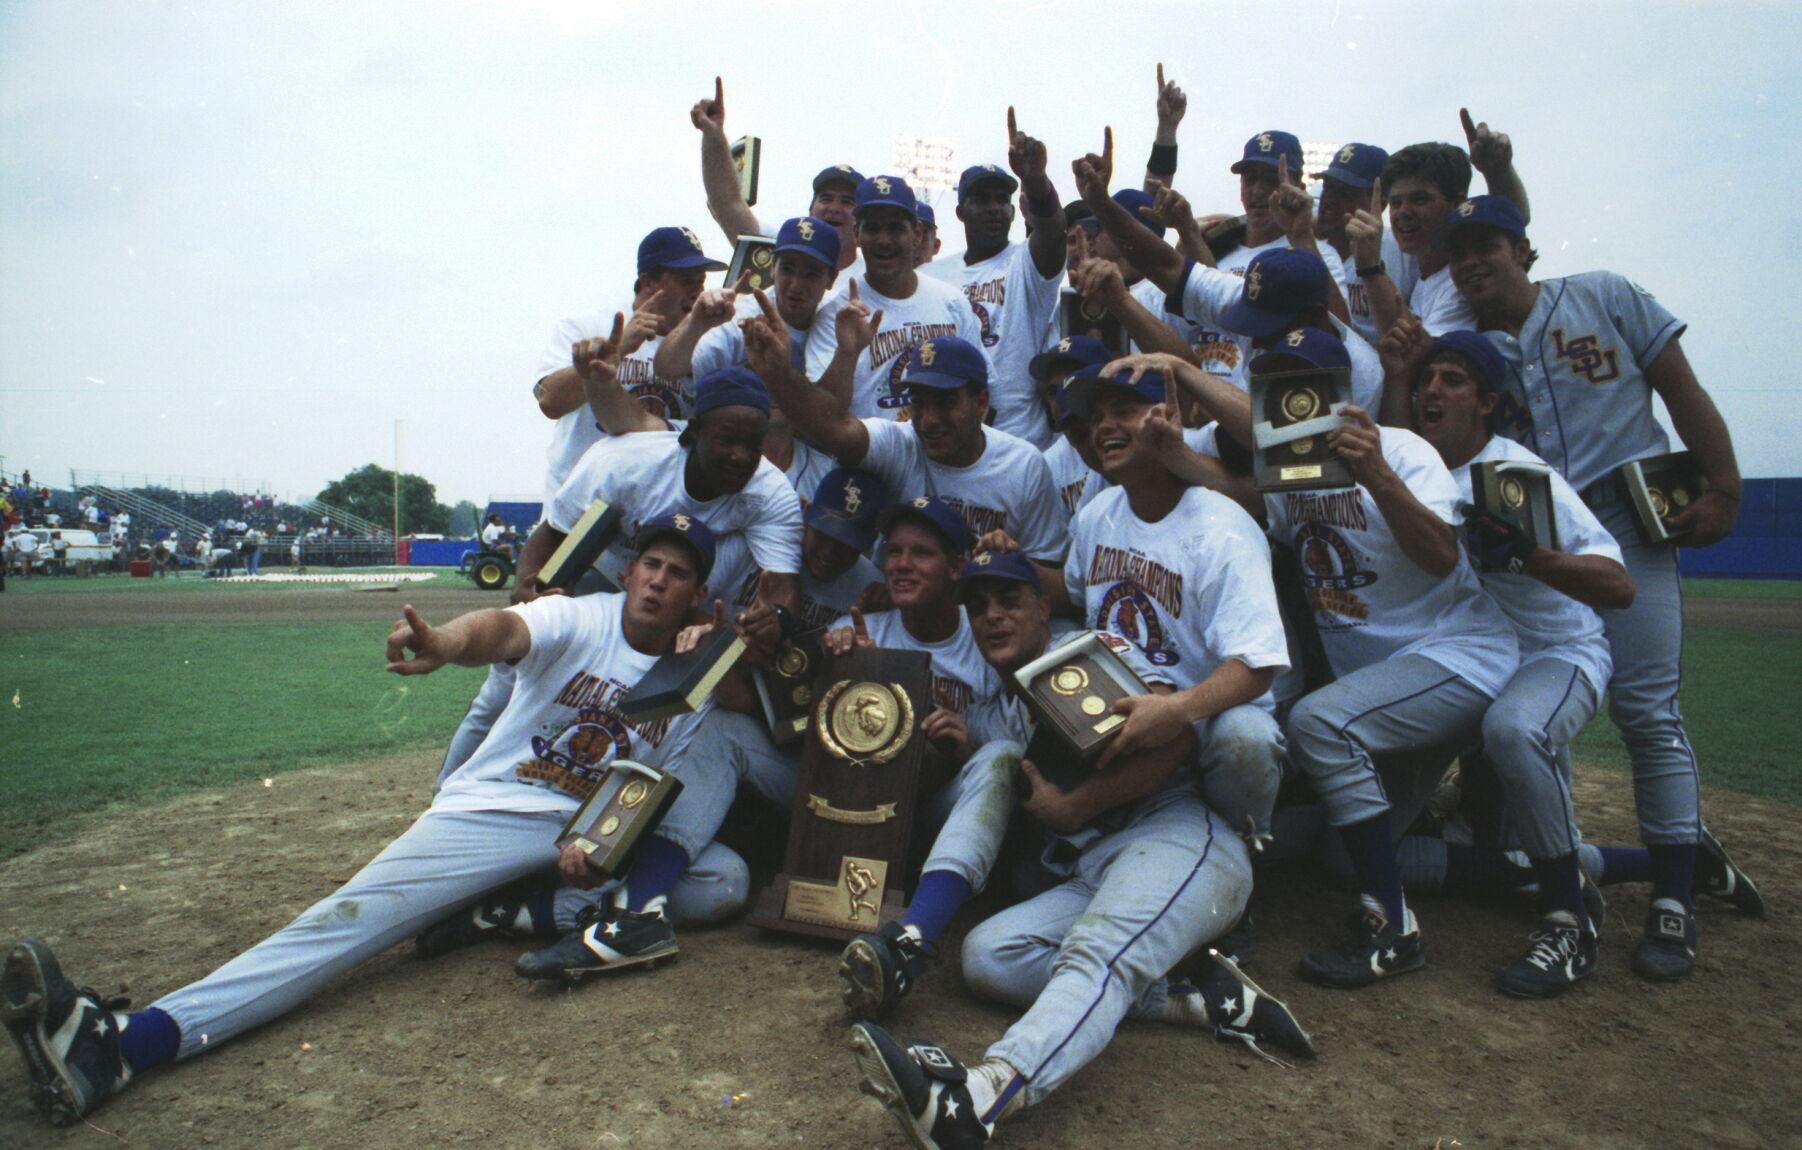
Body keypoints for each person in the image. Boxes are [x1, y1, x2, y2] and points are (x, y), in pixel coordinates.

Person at [0, 516, 744, 1127]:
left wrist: (599, 848)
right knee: (343, 923)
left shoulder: (692, 677)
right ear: (629, 571)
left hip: (575, 830)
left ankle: (509, 912)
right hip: (495, 811)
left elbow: (646, 787)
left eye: (677, 574)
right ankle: (126, 1046)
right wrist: (446, 642)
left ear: (697, 596)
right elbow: (500, 630)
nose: (658, 581)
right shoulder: (578, 617)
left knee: (719, 881)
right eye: (650, 564)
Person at [847, 548, 1310, 1150]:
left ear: (1043, 608)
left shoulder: (1090, 651)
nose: (993, 616)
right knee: (990, 956)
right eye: (979, 607)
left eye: (1009, 601)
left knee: (1096, 953)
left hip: (1172, 836)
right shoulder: (993, 710)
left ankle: (977, 1099)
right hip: (1091, 869)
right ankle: (1201, 1000)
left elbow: (1176, 739)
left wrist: (1078, 806)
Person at [1126, 329, 1521, 989]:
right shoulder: (1296, 470)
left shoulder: (1402, 450)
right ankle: (1544, 871)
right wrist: (1179, 456)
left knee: (1317, 722)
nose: (1289, 394)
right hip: (1385, 690)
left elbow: (1441, 557)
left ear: (1341, 388)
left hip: (1454, 658)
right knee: (1341, 856)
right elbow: (1248, 500)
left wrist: (1379, 476)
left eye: (1304, 379)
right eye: (1275, 379)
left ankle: (1394, 929)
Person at [1441, 194, 1754, 980]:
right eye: (1460, 251)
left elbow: (1680, 388)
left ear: (1523, 249)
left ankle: (1674, 898)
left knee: (1647, 709)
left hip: (1627, 515)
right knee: (1532, 707)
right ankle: (1571, 870)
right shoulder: (1469, 348)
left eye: (1488, 245)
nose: (1473, 261)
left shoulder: (1602, 295)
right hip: (1536, 530)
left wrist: (1723, 485)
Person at [1385, 324, 1637, 996]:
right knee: (1353, 854)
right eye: (1427, 378)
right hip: (1461, 667)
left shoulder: (1514, 473)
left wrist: (1530, 555)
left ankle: (1569, 918)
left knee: (1514, 729)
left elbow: (1619, 586)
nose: (1434, 389)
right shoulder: (1411, 471)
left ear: (1488, 402)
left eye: (1454, 379)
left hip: (1551, 655)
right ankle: (1595, 865)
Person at [757, 325, 1068, 587]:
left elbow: (1055, 583)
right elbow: (834, 429)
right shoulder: (899, 444)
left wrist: (1009, 560)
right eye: (919, 403)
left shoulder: (1023, 466)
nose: (929, 420)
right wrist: (779, 375)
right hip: (898, 614)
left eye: (946, 403)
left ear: (981, 402)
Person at [517, 365, 803, 611]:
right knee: (540, 611)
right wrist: (526, 588)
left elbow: (781, 582)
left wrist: (776, 618)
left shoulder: (770, 491)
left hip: (690, 599)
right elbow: (555, 531)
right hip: (603, 574)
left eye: (753, 444)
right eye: (726, 440)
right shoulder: (623, 462)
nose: (740, 456)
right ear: (694, 432)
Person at [920, 110, 1066, 448]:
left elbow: (1052, 232)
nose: (994, 207)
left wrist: (1036, 181)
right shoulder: (932, 275)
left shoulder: (1024, 261)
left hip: (1020, 435)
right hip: (949, 431)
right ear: (960, 213)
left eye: (1002, 200)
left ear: (1014, 212)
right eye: (981, 199)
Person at [801, 176, 988, 420]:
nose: (884, 240)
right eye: (872, 228)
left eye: (895, 228)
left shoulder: (952, 302)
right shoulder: (837, 315)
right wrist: (847, 353)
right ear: (857, 234)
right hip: (868, 445)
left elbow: (982, 390)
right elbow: (825, 418)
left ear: (917, 234)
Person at [688, 76, 863, 279]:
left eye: (847, 202)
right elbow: (727, 204)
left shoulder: (875, 276)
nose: (834, 208)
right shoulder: (781, 250)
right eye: (826, 198)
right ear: (810, 211)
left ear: (862, 222)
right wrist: (713, 134)